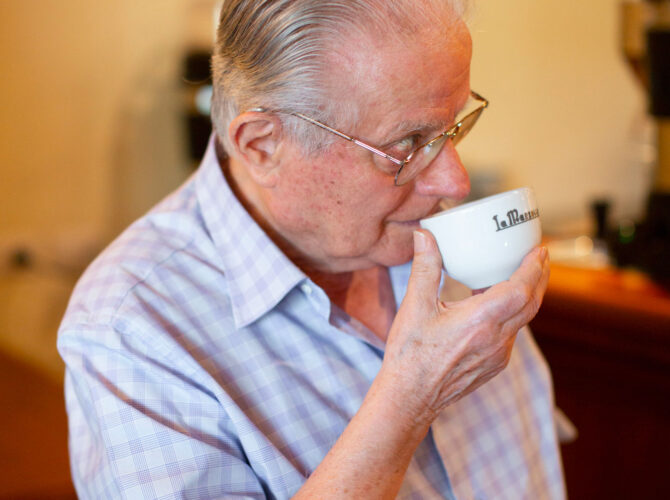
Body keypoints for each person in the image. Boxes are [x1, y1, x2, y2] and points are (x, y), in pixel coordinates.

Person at [58, 0, 565, 498]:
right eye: (409, 144)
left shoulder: (447, 233)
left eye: (453, 126)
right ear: (262, 145)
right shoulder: (129, 329)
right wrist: (410, 398)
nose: (455, 182)